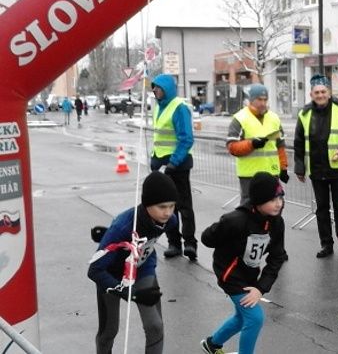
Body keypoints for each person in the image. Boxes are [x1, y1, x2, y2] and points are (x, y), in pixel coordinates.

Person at [87, 171, 178, 354]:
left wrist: (148, 271)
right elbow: (94, 270)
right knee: (109, 330)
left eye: (172, 206)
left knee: (155, 326)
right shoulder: (124, 227)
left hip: (142, 270)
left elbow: (147, 244)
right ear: (147, 204)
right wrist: (132, 294)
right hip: (112, 276)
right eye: (162, 207)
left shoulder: (170, 221)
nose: (168, 212)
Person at [200, 172, 285, 354]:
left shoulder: (277, 223)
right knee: (255, 318)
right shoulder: (235, 220)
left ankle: (212, 344)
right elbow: (207, 238)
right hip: (229, 275)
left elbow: (276, 257)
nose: (278, 203)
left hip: (249, 275)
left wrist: (261, 288)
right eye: (272, 199)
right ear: (258, 200)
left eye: (280, 197)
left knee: (241, 317)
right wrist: (222, 231)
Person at [293, 74, 338, 259]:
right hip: (316, 169)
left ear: (329, 92)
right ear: (311, 94)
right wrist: (300, 167)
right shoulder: (304, 113)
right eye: (316, 92)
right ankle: (326, 244)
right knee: (322, 209)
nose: (320, 95)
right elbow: (299, 142)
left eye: (323, 91)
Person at [150, 73, 198, 261]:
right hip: (162, 165)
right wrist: (155, 160)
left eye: (158, 87)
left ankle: (190, 243)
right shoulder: (158, 107)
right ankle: (174, 243)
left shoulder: (179, 107)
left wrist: (172, 163)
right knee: (167, 208)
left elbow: (186, 139)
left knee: (184, 206)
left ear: (167, 89)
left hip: (177, 166)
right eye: (153, 87)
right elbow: (160, 137)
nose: (154, 90)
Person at [227, 83, 289, 204]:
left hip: (271, 173)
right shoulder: (240, 118)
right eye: (259, 99)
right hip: (250, 175)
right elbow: (232, 147)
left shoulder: (274, 118)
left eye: (265, 100)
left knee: (275, 206)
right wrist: (252, 144)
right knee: (250, 210)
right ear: (251, 100)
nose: (263, 103)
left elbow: (280, 145)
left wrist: (283, 167)